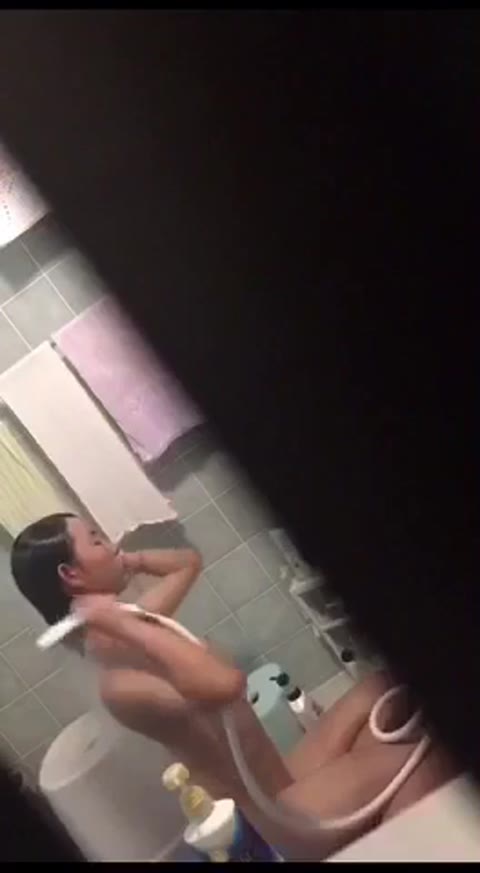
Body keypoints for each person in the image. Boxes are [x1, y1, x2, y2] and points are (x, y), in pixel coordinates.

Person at [80, 602, 458, 859]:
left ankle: (372, 817)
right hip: (267, 822)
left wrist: (130, 585)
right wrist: (121, 623)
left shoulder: (139, 634)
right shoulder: (119, 685)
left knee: (382, 688)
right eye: (95, 540)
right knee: (430, 759)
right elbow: (226, 683)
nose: (109, 544)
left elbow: (186, 564)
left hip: (281, 781)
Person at [10, 512, 202, 630]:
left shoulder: (93, 635)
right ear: (70, 574)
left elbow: (189, 562)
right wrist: (134, 560)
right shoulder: (122, 635)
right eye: (96, 541)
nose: (113, 545)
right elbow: (188, 564)